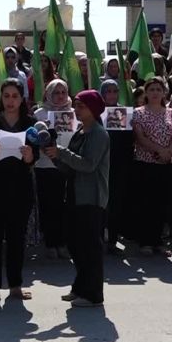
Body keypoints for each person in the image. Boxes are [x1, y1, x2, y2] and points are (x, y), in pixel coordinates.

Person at [44, 89, 109, 307]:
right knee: (75, 244)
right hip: (74, 193)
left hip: (90, 196)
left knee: (90, 246)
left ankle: (93, 294)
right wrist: (54, 157)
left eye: (81, 106)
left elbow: (88, 164)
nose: (77, 109)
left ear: (93, 109)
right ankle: (80, 287)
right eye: (77, 105)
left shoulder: (98, 133)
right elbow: (71, 166)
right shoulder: (81, 131)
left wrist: (61, 152)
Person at [0, 79, 37, 301]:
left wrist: (30, 156)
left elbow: (36, 154)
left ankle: (15, 285)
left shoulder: (30, 122)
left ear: (21, 99)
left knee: (16, 239)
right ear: (1, 98)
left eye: (15, 96)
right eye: (6, 96)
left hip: (20, 189)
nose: (10, 100)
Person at [131, 77, 172, 256]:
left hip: (167, 162)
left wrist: (168, 152)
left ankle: (158, 242)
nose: (155, 93)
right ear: (146, 93)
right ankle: (145, 242)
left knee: (162, 204)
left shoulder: (171, 113)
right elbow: (140, 137)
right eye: (152, 90)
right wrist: (159, 150)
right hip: (146, 162)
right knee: (146, 203)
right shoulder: (139, 112)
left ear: (164, 92)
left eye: (159, 89)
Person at [33, 79, 73, 258]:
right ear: (48, 94)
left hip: (67, 164)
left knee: (64, 205)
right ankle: (50, 243)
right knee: (48, 204)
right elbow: (33, 138)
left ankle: (63, 241)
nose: (60, 96)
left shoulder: (73, 112)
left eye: (63, 92)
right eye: (56, 93)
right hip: (45, 165)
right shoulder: (40, 114)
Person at [99, 79, 134, 252]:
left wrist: (132, 126)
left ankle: (112, 239)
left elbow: (130, 141)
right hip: (100, 163)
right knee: (101, 202)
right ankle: (99, 237)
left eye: (115, 91)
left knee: (116, 201)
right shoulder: (96, 112)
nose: (112, 94)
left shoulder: (125, 113)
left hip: (120, 163)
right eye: (108, 91)